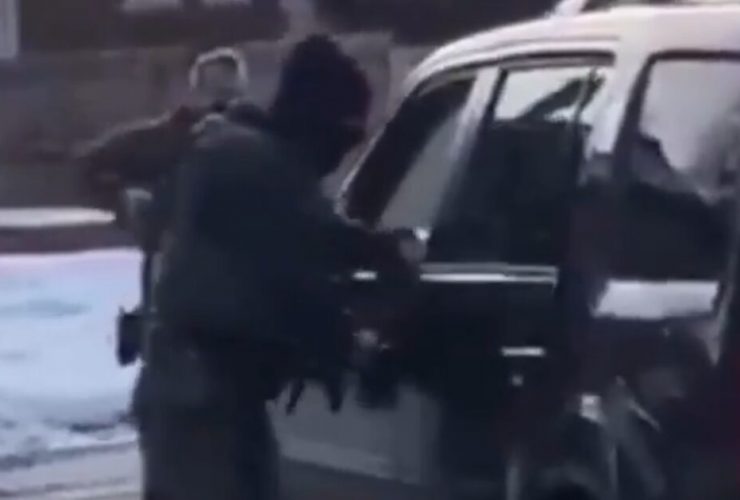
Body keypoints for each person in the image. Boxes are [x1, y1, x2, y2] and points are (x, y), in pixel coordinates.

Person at [133, 35, 413, 500]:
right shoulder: (257, 167)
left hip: (201, 396)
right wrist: (356, 346)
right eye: (344, 137)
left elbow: (310, 232)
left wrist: (370, 250)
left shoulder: (242, 154)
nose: (339, 156)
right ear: (316, 123)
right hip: (203, 405)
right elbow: (296, 270)